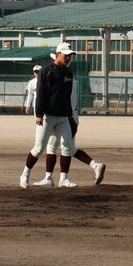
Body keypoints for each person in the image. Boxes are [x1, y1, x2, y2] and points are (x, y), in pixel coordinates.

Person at [19, 43, 106, 188]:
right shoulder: (47, 71)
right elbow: (40, 94)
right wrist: (39, 114)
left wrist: (70, 116)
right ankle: (25, 174)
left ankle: (63, 179)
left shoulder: (68, 72)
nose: (68, 58)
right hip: (47, 116)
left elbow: (66, 96)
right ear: (58, 54)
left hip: (63, 117)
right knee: (39, 148)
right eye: (66, 55)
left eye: (70, 56)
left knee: (67, 147)